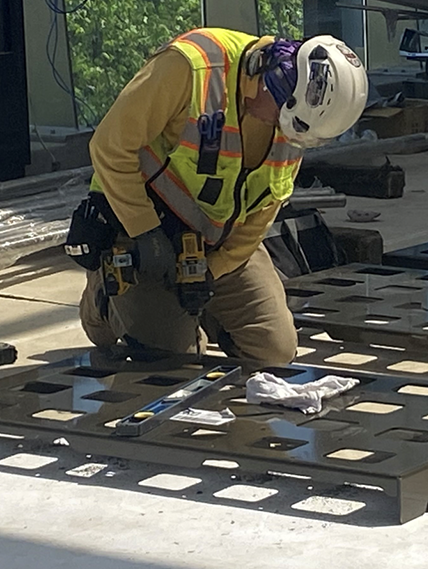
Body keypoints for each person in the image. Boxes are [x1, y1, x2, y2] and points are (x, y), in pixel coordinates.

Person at [64, 28, 368, 366]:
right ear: (278, 84)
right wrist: (144, 231)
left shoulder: (295, 126)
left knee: (274, 353)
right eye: (288, 123)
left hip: (217, 239)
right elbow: (109, 146)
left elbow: (266, 208)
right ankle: (100, 305)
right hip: (142, 228)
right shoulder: (190, 67)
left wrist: (212, 270)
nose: (286, 136)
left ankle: (197, 312)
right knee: (173, 358)